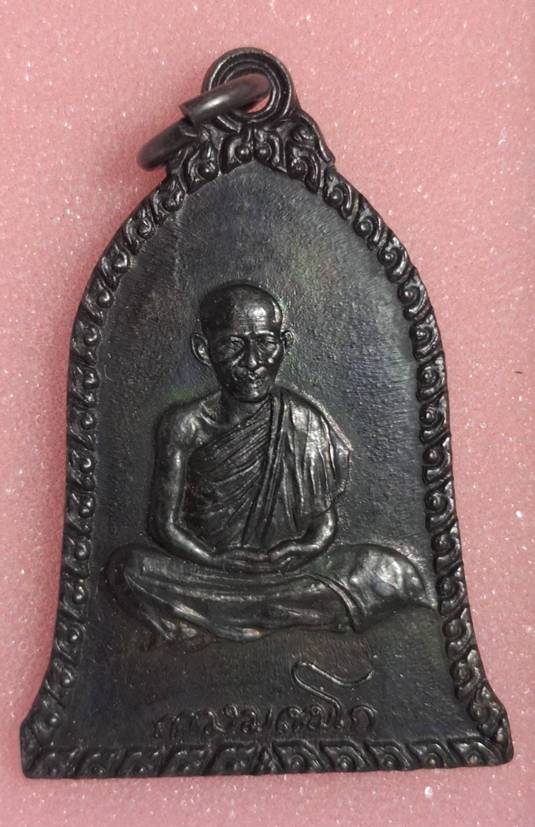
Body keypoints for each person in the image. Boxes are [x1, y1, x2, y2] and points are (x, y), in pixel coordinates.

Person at [107, 282, 429, 644]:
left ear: (284, 343)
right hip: (209, 571)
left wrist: (303, 549)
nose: (252, 361)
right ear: (203, 350)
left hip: (286, 571)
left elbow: (323, 525)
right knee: (128, 567)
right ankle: (271, 614)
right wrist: (214, 560)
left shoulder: (303, 422)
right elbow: (164, 525)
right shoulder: (185, 425)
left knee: (390, 570)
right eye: (233, 345)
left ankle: (218, 617)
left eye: (265, 343)